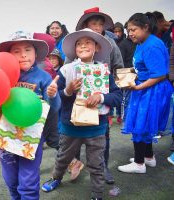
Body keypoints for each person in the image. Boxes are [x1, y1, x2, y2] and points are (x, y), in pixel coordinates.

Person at [41, 28, 122, 200]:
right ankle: (56, 177)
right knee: (63, 157)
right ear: (74, 49)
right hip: (71, 126)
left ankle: (97, 194)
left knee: (96, 163)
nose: (83, 46)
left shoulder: (104, 71)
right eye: (79, 43)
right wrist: (67, 91)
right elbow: (57, 99)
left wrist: (100, 97)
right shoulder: (66, 70)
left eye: (88, 42)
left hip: (97, 126)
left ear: (97, 47)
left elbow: (117, 96)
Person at [0, 30, 61, 200]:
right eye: (16, 51)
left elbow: (55, 107)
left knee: (28, 182)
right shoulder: (1, 75)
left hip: (32, 138)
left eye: (27, 50)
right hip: (5, 137)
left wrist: (53, 95)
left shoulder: (43, 77)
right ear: (8, 55)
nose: (23, 55)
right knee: (10, 180)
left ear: (35, 53)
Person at [74, 7, 124, 184]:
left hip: (103, 98)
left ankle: (103, 167)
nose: (97, 27)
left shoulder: (111, 42)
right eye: (93, 23)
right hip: (79, 99)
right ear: (86, 24)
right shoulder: (79, 40)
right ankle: (73, 165)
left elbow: (118, 65)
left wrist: (113, 85)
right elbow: (67, 66)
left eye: (100, 24)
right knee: (74, 136)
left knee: (103, 135)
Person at [118, 12, 172, 173]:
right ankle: (148, 158)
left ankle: (139, 164)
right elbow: (142, 67)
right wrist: (127, 73)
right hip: (146, 87)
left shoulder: (152, 45)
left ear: (146, 27)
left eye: (134, 29)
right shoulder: (143, 42)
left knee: (139, 124)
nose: (130, 33)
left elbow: (160, 74)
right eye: (129, 30)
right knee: (145, 124)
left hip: (150, 90)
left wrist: (137, 87)